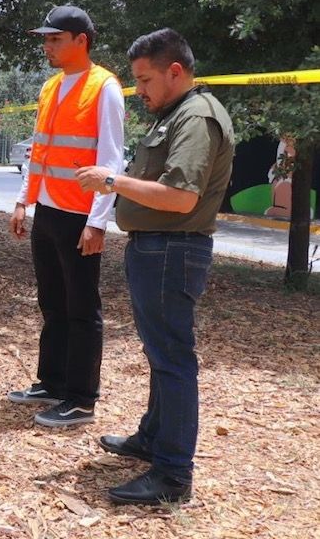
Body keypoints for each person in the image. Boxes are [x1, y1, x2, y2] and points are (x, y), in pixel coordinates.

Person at [77, 28, 234, 505]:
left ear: (175, 71)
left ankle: (172, 475)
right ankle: (154, 438)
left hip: (172, 250)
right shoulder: (176, 113)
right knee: (161, 355)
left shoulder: (197, 118)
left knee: (172, 361)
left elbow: (181, 196)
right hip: (157, 249)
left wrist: (113, 181)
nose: (139, 90)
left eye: (145, 80)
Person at [7, 5, 125, 428]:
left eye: (55, 38)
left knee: (82, 308)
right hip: (48, 212)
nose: (48, 45)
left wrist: (98, 221)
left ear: (82, 41)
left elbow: (112, 159)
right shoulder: (51, 87)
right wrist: (24, 200)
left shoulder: (104, 87)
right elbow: (40, 150)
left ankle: (80, 399)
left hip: (79, 217)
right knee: (53, 303)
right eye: (46, 38)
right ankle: (52, 382)